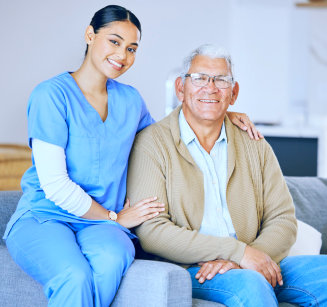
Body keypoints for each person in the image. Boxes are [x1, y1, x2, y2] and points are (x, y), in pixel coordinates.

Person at [3, 6, 260, 307]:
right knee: (75, 276)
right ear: (90, 35)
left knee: (113, 260)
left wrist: (219, 111)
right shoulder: (50, 96)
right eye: (114, 41)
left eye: (132, 48)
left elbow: (167, 139)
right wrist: (114, 217)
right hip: (46, 217)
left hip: (101, 229)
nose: (122, 55)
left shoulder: (130, 100)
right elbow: (55, 185)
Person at [127, 44, 327, 306]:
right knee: (251, 284)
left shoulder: (253, 143)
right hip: (193, 268)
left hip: (257, 259)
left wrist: (250, 258)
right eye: (199, 78)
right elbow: (153, 231)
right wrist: (239, 253)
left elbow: (283, 220)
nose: (210, 87)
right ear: (180, 88)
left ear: (233, 93)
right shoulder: (152, 144)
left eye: (221, 80)